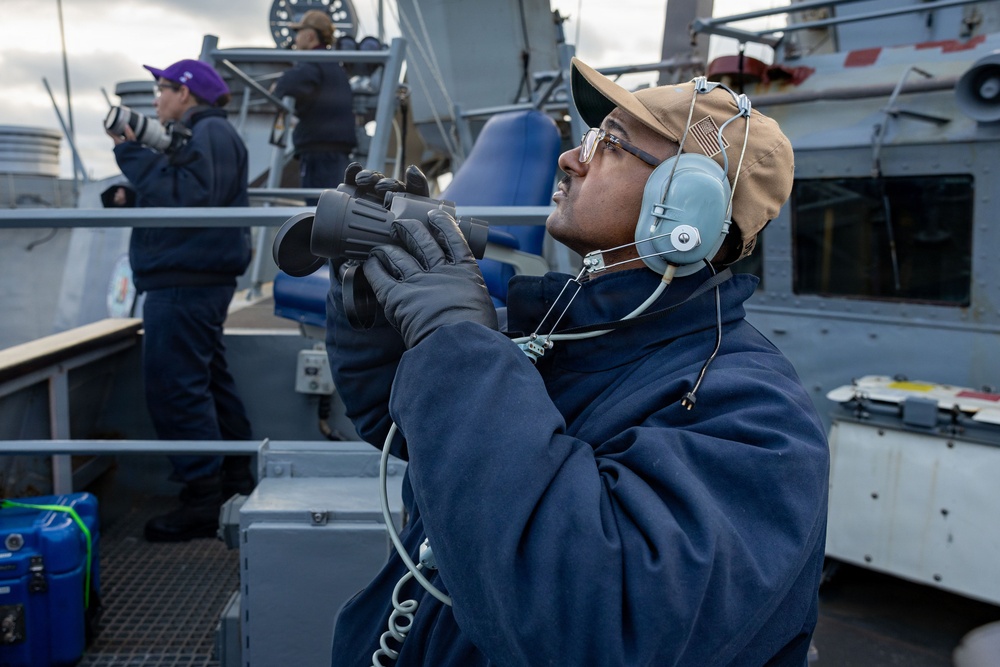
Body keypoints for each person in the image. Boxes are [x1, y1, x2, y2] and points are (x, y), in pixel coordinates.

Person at [323, 57, 830, 665]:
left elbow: (592, 626)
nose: (570, 158)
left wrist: (455, 338)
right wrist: (380, 308)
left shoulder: (758, 416)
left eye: (608, 144)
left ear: (683, 206)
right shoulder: (572, 328)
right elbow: (410, 434)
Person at [107, 59, 255, 542]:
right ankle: (234, 481)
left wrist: (131, 156)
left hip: (184, 282)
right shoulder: (206, 135)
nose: (156, 99)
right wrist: (133, 193)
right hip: (192, 277)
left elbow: (191, 201)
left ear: (186, 94)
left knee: (175, 389)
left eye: (162, 89)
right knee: (207, 382)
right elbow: (189, 191)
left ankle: (202, 502)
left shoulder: (209, 133)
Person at [272, 9, 357, 204]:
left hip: (319, 156)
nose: (295, 39)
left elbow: (289, 84)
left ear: (309, 35)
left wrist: (279, 84)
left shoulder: (313, 62)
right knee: (334, 211)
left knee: (319, 212)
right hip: (333, 154)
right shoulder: (333, 65)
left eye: (298, 32)